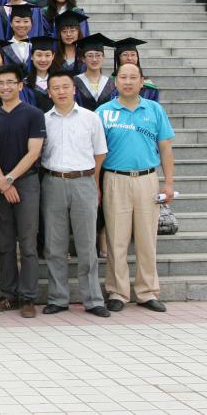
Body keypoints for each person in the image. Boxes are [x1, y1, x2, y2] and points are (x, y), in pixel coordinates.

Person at [98, 62, 175, 313]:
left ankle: (147, 292)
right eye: (123, 77)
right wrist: (96, 185)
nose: (128, 81)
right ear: (116, 81)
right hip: (115, 179)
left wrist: (169, 183)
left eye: (133, 77)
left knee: (146, 239)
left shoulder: (154, 109)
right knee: (116, 239)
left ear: (142, 81)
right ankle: (117, 292)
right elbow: (96, 153)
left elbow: (165, 148)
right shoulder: (103, 112)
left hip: (147, 180)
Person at [41, 71, 110, 317]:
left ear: (74, 89)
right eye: (55, 87)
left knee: (87, 244)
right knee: (54, 244)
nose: (61, 91)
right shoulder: (43, 120)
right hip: (53, 182)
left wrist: (93, 181)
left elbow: (100, 153)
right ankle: (58, 298)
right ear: (49, 92)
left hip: (84, 181)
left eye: (65, 86)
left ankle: (93, 299)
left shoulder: (91, 118)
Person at [0, 63, 46, 318]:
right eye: (1, 83)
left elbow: (34, 152)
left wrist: (10, 178)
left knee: (28, 243)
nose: (5, 87)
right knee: (5, 243)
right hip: (0, 185)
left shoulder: (33, 114)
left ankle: (28, 297)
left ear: (20, 85)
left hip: (26, 182)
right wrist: (1, 180)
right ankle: (8, 294)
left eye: (11, 82)